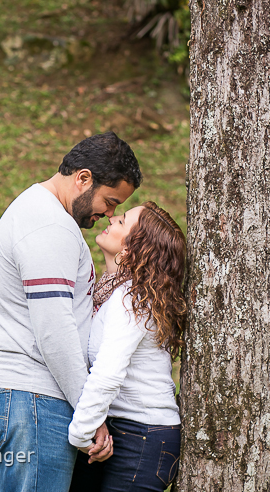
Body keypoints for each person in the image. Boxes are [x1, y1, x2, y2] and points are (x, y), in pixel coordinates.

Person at [0, 132, 143, 492]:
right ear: (83, 178)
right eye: (109, 201)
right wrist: (90, 413)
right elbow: (55, 330)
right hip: (31, 398)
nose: (109, 214)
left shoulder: (40, 214)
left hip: (21, 396)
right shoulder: (49, 226)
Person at [68, 201, 187, 492]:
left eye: (121, 222)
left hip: (142, 437)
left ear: (133, 249)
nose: (111, 218)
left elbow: (108, 372)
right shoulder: (109, 293)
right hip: (121, 429)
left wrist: (81, 433)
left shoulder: (131, 300)